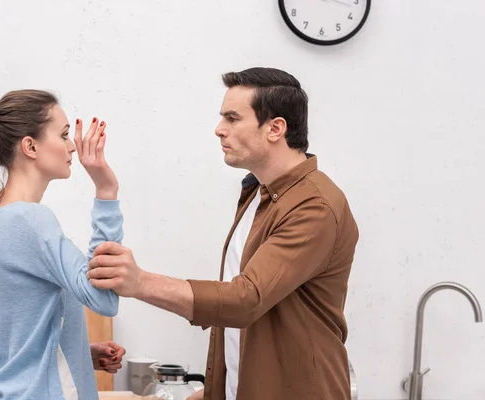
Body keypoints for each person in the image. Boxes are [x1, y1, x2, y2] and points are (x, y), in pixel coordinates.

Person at [86, 67, 360, 400]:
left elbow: (244, 300)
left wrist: (140, 282)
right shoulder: (259, 194)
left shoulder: (315, 206)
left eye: (232, 118)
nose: (219, 130)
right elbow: (242, 325)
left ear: (275, 128)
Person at [0, 90, 126, 400]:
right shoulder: (30, 220)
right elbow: (103, 299)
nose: (72, 145)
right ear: (30, 146)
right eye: (64, 134)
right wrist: (106, 190)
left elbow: (6, 336)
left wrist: (78, 353)